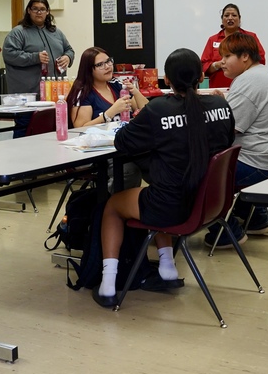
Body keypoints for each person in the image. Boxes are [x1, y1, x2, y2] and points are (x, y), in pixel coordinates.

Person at [93, 48, 235, 307]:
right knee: (159, 185)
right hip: (211, 205)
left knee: (113, 206)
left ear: (166, 80)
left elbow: (122, 142)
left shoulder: (157, 110)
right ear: (202, 75)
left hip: (172, 207)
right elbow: (226, 140)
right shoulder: (221, 104)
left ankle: (107, 284)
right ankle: (166, 267)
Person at [203, 32, 268, 249]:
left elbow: (228, 130)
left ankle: (227, 233)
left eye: (227, 57)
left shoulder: (248, 81)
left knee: (196, 170)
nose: (221, 62)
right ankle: (256, 219)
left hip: (258, 164)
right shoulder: (266, 74)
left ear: (245, 56)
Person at [2, 0, 74, 138]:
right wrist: (35, 57)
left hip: (53, 94)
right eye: (35, 9)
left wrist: (68, 57)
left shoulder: (56, 32)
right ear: (29, 11)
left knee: (50, 130)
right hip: (28, 96)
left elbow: (69, 49)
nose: (38, 12)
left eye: (42, 9)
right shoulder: (18, 32)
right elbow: (9, 54)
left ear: (48, 12)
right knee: (26, 129)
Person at [68, 47, 147, 128]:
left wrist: (136, 92)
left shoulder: (117, 85)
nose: (107, 67)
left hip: (124, 137)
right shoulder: (83, 93)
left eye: (108, 61)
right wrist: (109, 114)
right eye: (100, 65)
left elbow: (149, 112)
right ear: (89, 70)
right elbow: (80, 128)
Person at [200, 4, 266, 89]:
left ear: (239, 19)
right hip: (219, 90)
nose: (230, 18)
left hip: (247, 87)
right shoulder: (213, 39)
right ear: (222, 19)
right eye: (226, 15)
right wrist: (217, 65)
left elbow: (260, 60)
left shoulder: (250, 37)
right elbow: (203, 66)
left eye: (234, 15)